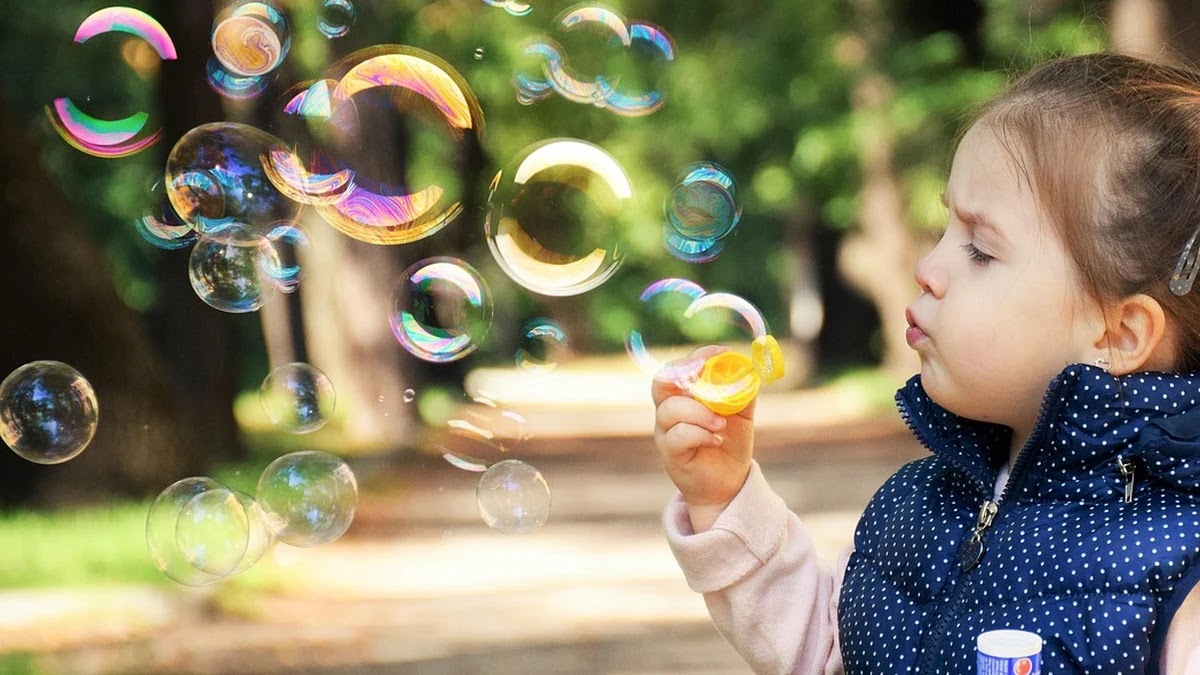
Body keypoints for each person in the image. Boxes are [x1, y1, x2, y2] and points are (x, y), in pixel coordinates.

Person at [652, 52, 1200, 674]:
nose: (927, 268)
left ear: (1120, 333)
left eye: (981, 250)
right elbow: (830, 657)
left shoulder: (1176, 568)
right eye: (944, 229)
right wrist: (726, 497)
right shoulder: (917, 506)